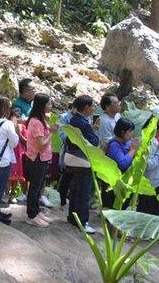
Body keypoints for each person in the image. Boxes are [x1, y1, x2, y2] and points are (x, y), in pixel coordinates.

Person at [65, 95, 99, 234]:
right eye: (92, 106)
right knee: (84, 191)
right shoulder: (82, 122)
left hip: (74, 159)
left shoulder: (75, 120)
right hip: (83, 161)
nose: (93, 109)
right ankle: (82, 221)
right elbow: (94, 142)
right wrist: (94, 132)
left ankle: (73, 217)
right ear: (86, 108)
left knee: (76, 189)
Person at [24, 94, 54, 227]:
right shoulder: (35, 122)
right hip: (36, 158)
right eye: (48, 104)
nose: (51, 106)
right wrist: (52, 132)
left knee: (38, 187)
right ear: (42, 105)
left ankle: (36, 212)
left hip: (42, 158)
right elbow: (41, 144)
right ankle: (31, 216)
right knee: (34, 188)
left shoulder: (41, 119)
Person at [137, 114, 159, 216]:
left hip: (154, 181)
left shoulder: (153, 141)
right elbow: (149, 165)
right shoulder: (149, 142)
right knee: (148, 210)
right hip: (149, 182)